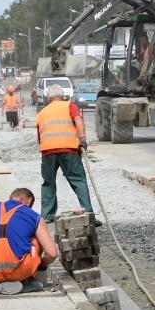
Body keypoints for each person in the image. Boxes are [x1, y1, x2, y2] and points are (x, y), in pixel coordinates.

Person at [0, 187, 58, 295]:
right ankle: (26, 282)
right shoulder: (34, 216)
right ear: (29, 201)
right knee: (37, 239)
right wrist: (40, 266)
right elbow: (52, 254)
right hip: (19, 272)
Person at [36, 84, 100, 226]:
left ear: (48, 98)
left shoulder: (42, 112)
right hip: (68, 149)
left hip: (48, 151)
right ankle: (88, 213)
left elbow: (40, 136)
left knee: (48, 182)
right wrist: (82, 139)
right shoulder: (69, 105)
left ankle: (47, 216)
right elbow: (78, 120)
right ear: (63, 96)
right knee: (78, 179)